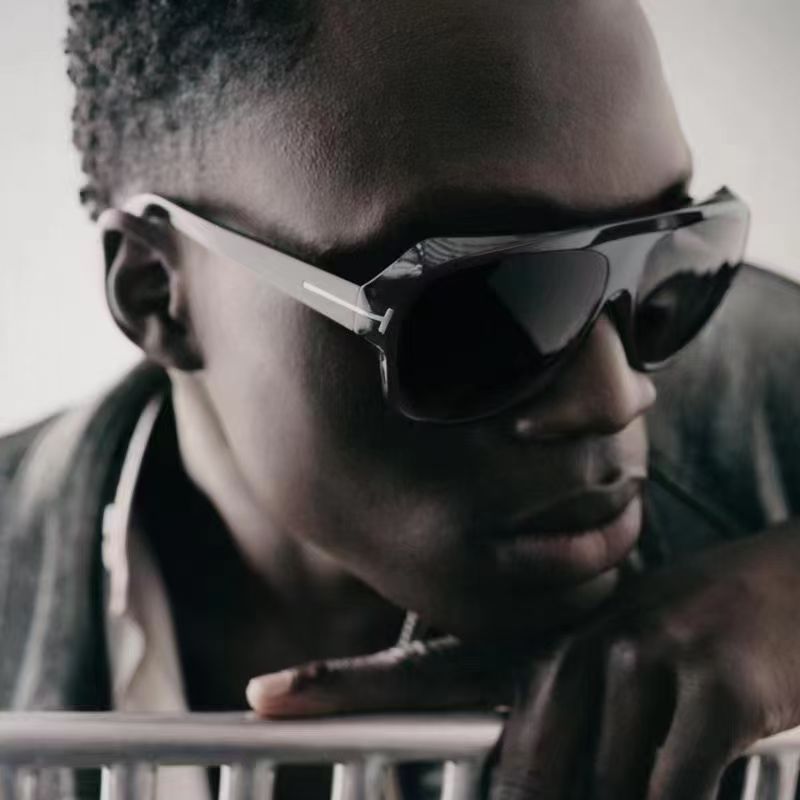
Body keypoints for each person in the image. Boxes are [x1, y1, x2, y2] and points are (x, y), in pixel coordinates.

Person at [1, 0, 798, 797]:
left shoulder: (764, 401)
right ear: (157, 293)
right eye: (475, 301)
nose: (614, 396)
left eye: (670, 250)